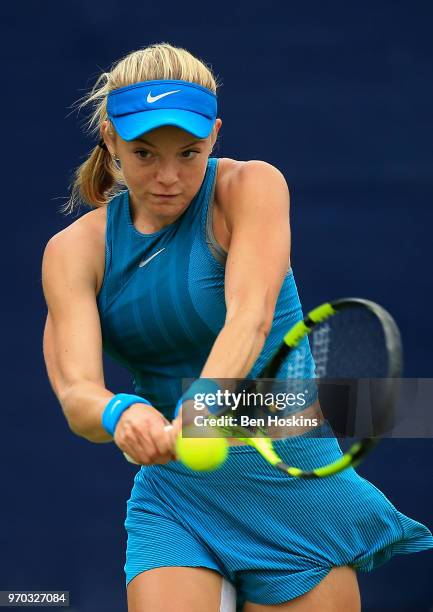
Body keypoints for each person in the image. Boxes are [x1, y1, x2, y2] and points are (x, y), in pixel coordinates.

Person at [42, 43, 433, 612]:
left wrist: (203, 406)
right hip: (180, 493)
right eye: (145, 153)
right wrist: (119, 413)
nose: (169, 176)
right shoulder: (74, 252)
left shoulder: (252, 188)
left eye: (190, 152)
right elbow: (76, 390)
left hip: (295, 485)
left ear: (216, 136)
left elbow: (249, 317)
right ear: (109, 138)